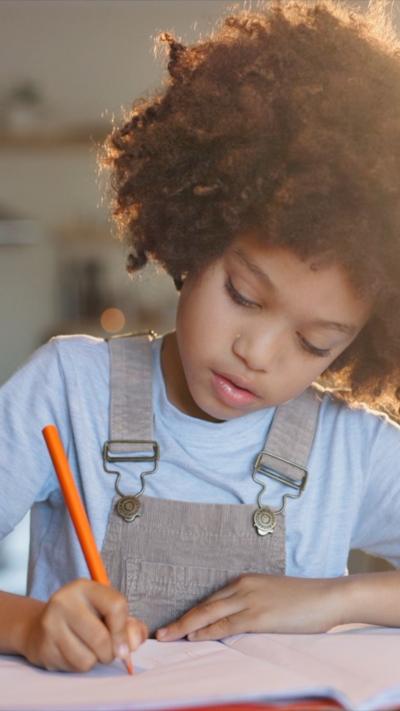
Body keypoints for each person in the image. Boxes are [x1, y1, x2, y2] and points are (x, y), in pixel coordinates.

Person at [1, 0, 400, 674]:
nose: (259, 353)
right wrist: (28, 621)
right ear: (191, 231)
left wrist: (335, 598)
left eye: (316, 342)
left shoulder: (352, 452)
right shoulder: (68, 390)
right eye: (243, 295)